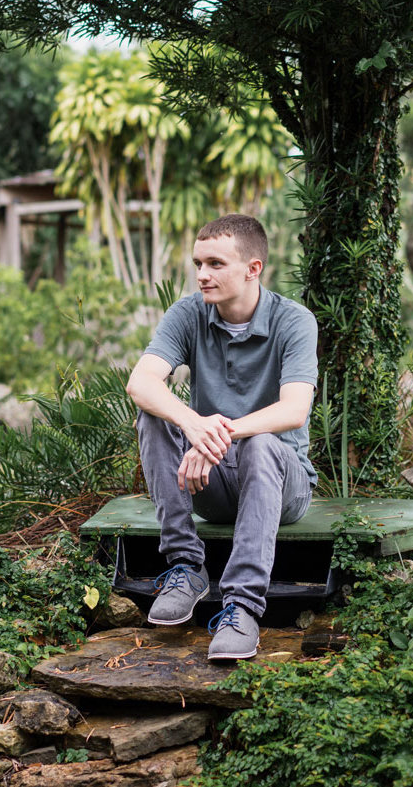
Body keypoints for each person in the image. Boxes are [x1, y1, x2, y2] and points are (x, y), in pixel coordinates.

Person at [125, 213, 318, 660]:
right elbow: (141, 383)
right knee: (153, 416)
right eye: (197, 263)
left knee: (262, 442)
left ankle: (242, 606)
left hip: (282, 485)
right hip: (209, 484)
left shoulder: (294, 321)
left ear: (253, 268)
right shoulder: (189, 313)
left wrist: (217, 434)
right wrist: (193, 425)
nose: (201, 275)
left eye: (215, 264)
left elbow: (293, 410)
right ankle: (186, 567)